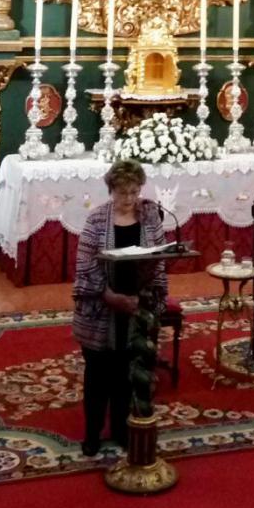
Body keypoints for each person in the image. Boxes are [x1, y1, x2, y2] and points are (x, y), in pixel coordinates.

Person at [72, 158, 167, 455]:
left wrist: (149, 299)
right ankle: (92, 433)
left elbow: (159, 261)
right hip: (102, 310)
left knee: (128, 372)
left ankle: (121, 430)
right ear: (111, 189)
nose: (128, 199)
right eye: (122, 192)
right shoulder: (97, 220)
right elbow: (84, 266)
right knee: (99, 376)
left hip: (137, 306)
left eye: (134, 192)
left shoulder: (149, 218)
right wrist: (109, 296)